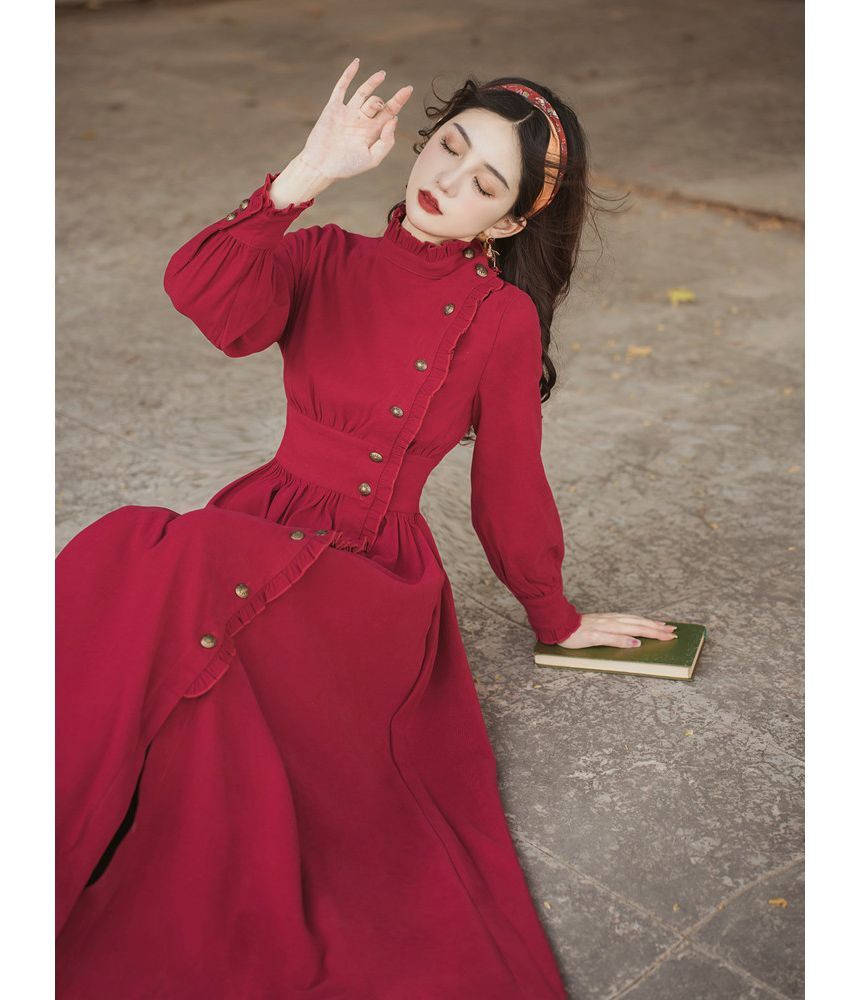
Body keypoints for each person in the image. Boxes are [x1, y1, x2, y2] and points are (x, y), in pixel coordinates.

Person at [55, 58, 676, 999]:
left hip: (368, 580)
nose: (449, 179)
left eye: (485, 183)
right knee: (129, 567)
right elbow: (203, 295)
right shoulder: (322, 257)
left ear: (508, 224)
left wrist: (557, 617)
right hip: (264, 519)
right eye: (450, 146)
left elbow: (508, 489)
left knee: (174, 565)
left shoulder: (499, 319)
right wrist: (306, 174)